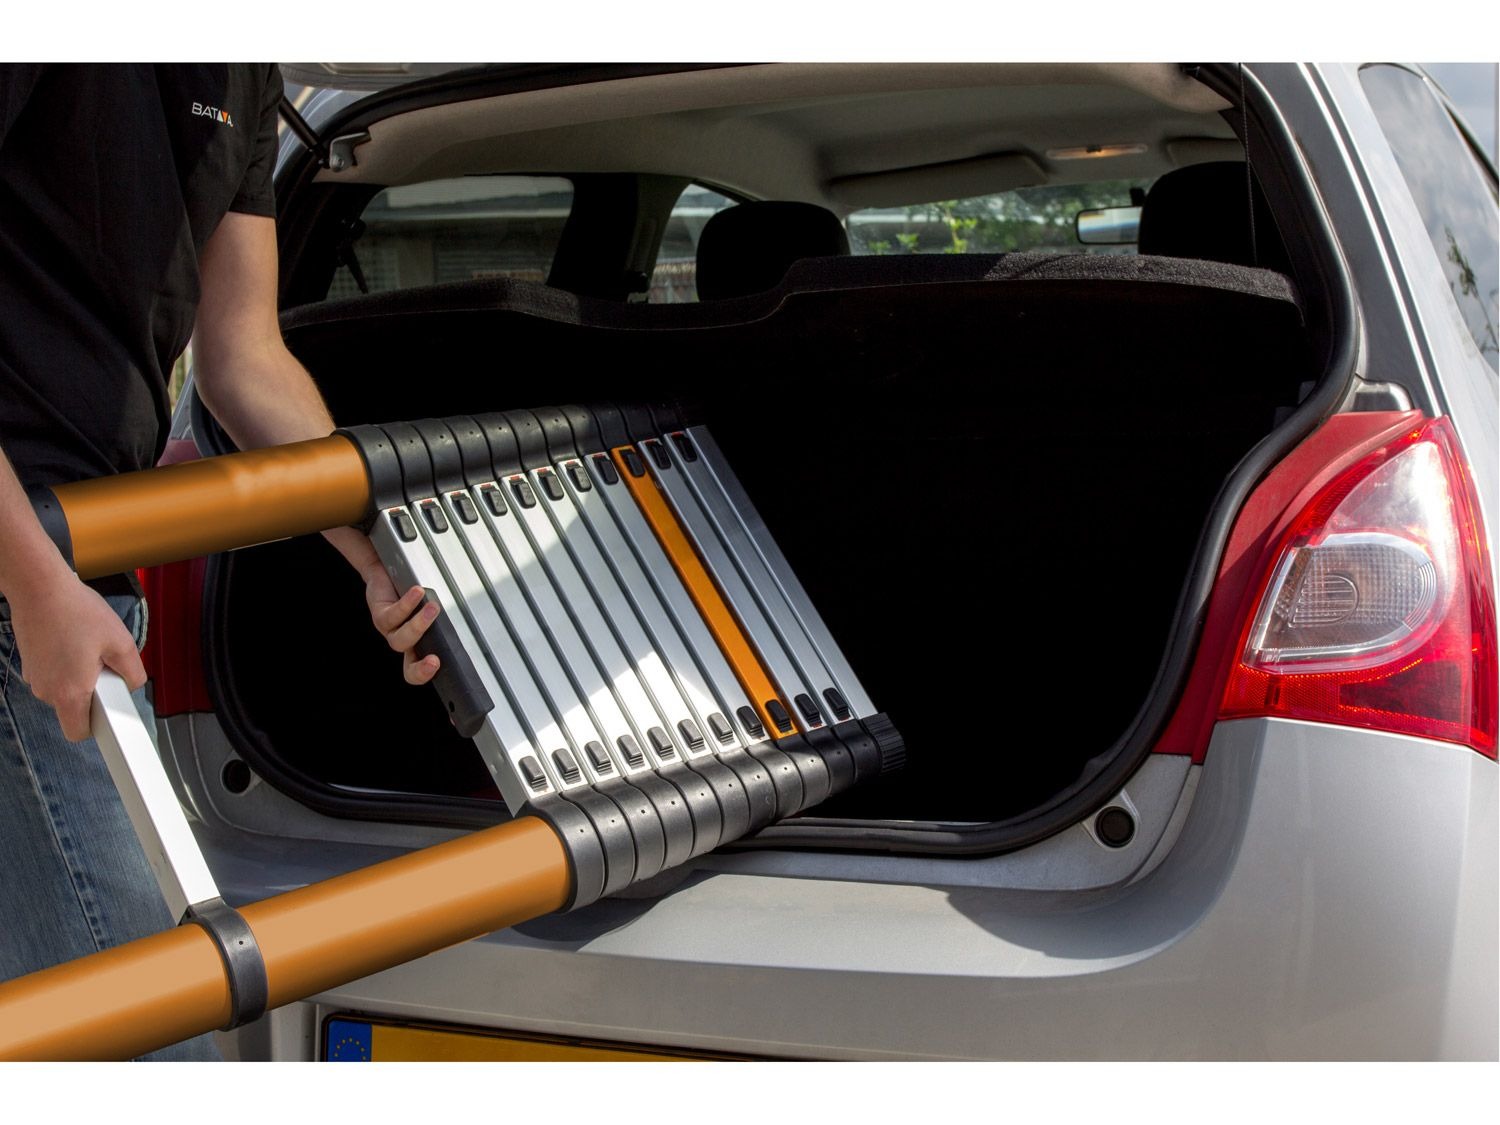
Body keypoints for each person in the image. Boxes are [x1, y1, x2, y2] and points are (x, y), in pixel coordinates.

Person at [0, 64, 439, 1059]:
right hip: (29, 580)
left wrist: (377, 552)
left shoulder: (245, 73)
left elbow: (245, 356)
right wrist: (35, 583)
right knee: (155, 1033)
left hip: (81, 573)